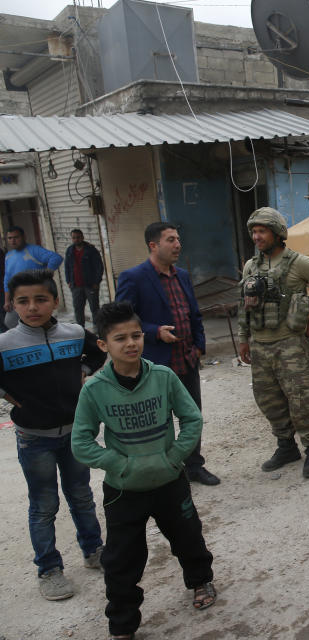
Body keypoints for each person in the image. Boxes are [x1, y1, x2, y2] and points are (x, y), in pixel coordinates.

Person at [72, 301, 216, 640]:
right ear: (103, 345)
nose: (131, 343)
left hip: (169, 481)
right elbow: (81, 443)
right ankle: (123, 623)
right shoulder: (94, 389)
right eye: (120, 338)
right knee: (122, 559)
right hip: (124, 490)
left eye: (136, 335)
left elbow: (192, 418)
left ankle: (200, 581)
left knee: (188, 536)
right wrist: (118, 464)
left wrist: (176, 456)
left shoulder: (163, 377)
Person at [0, 269, 105, 600]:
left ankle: (94, 551)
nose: (33, 307)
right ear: (12, 304)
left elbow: (99, 350)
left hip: (75, 434)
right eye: (24, 301)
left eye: (41, 299)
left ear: (55, 301)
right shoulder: (5, 344)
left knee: (82, 495)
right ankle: (49, 569)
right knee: (44, 505)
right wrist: (7, 395)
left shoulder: (73, 334)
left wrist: (85, 372)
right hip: (34, 439)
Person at [237, 207, 309, 479]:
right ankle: (286, 446)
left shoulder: (298, 263)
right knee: (268, 400)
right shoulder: (251, 266)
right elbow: (244, 304)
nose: (257, 237)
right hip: (260, 344)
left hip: (290, 344)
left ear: (278, 234)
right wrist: (243, 339)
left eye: (262, 231)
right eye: (254, 232)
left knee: (302, 399)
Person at [116, 222, 220, 486]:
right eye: (171, 240)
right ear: (154, 245)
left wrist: (199, 346)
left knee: (191, 415)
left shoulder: (182, 276)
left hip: (186, 359)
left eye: (178, 239)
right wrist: (153, 332)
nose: (178, 245)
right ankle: (164, 470)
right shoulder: (134, 277)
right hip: (156, 362)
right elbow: (122, 317)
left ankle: (194, 466)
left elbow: (193, 313)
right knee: (159, 420)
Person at [4, 226, 63, 329]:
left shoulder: (34, 250)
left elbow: (56, 258)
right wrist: (7, 300)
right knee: (10, 321)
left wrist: (47, 274)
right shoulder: (9, 255)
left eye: (16, 237)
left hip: (36, 295)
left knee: (40, 322)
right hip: (18, 296)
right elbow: (7, 279)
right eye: (10, 238)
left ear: (23, 237)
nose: (13, 240)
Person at [63, 228, 104, 327]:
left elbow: (99, 267)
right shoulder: (69, 250)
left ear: (82, 238)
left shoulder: (91, 250)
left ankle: (98, 329)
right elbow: (67, 266)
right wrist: (68, 281)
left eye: (78, 237)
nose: (76, 240)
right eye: (74, 238)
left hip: (90, 285)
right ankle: (81, 330)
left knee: (94, 308)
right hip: (76, 286)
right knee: (78, 309)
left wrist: (96, 282)